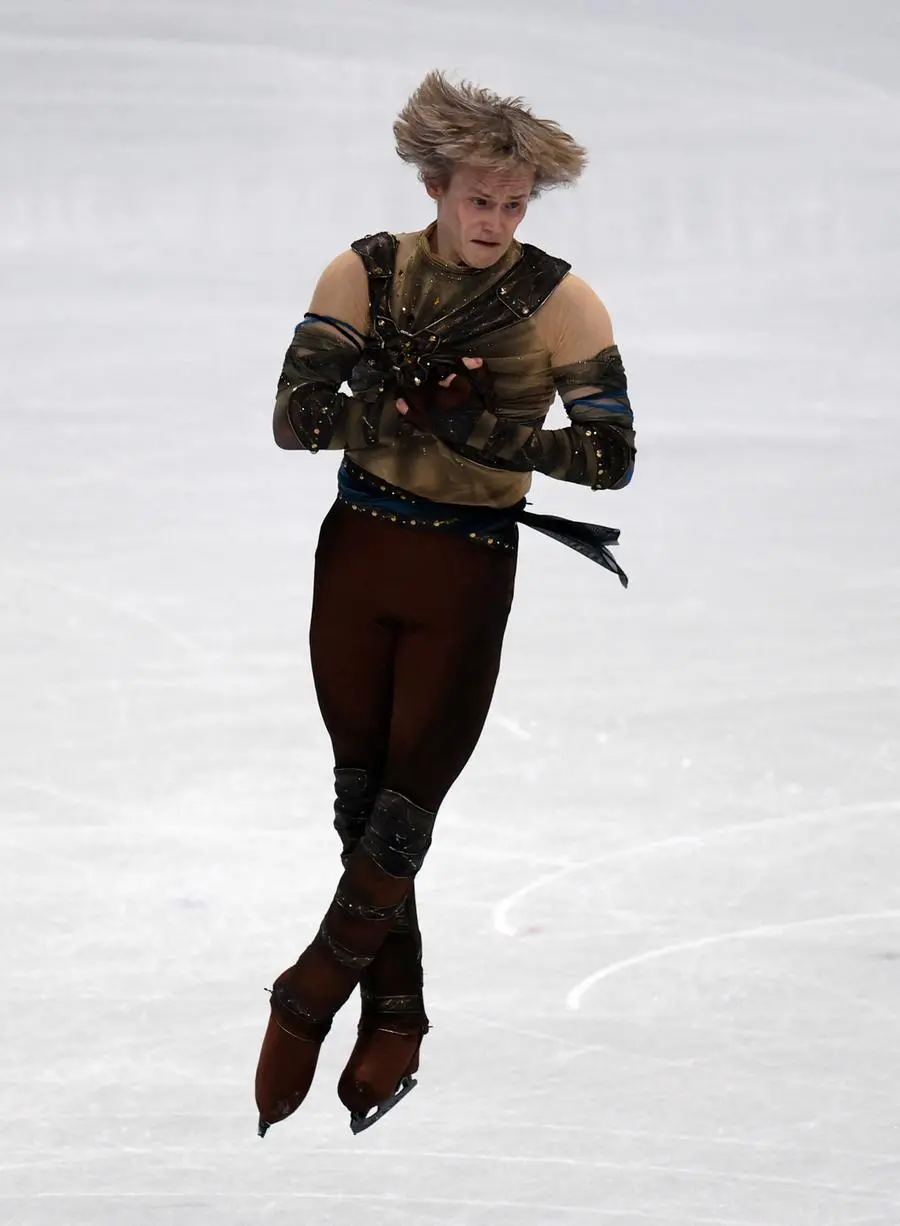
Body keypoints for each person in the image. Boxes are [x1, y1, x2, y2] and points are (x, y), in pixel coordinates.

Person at [255, 70, 636, 1137]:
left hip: (467, 566)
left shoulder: (562, 300)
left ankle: (315, 986)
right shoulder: (362, 273)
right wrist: (390, 403)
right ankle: (401, 1013)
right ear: (437, 184)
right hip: (360, 553)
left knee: (405, 804)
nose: (498, 222)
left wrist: (487, 435)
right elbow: (294, 418)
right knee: (361, 796)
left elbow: (612, 456)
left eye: (516, 204)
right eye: (482, 199)